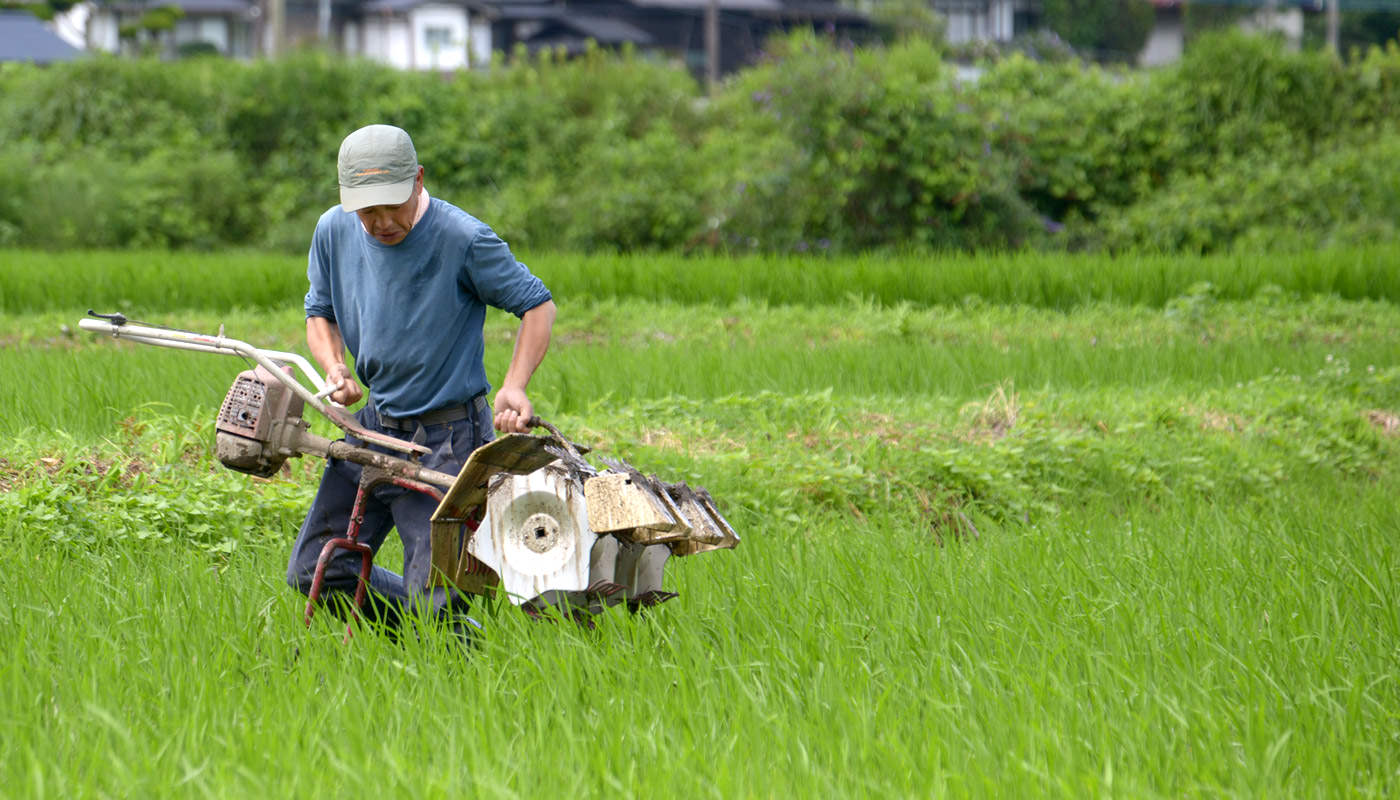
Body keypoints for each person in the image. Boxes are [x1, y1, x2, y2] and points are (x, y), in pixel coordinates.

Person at [285, 123, 556, 634]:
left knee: (435, 601)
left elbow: (536, 305)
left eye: (392, 205)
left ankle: (447, 657)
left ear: (418, 180)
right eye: (367, 210)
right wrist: (334, 367)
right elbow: (319, 309)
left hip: (446, 439)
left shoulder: (463, 238)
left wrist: (514, 384)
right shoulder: (334, 230)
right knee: (315, 571)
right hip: (370, 429)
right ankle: (423, 641)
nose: (382, 222)